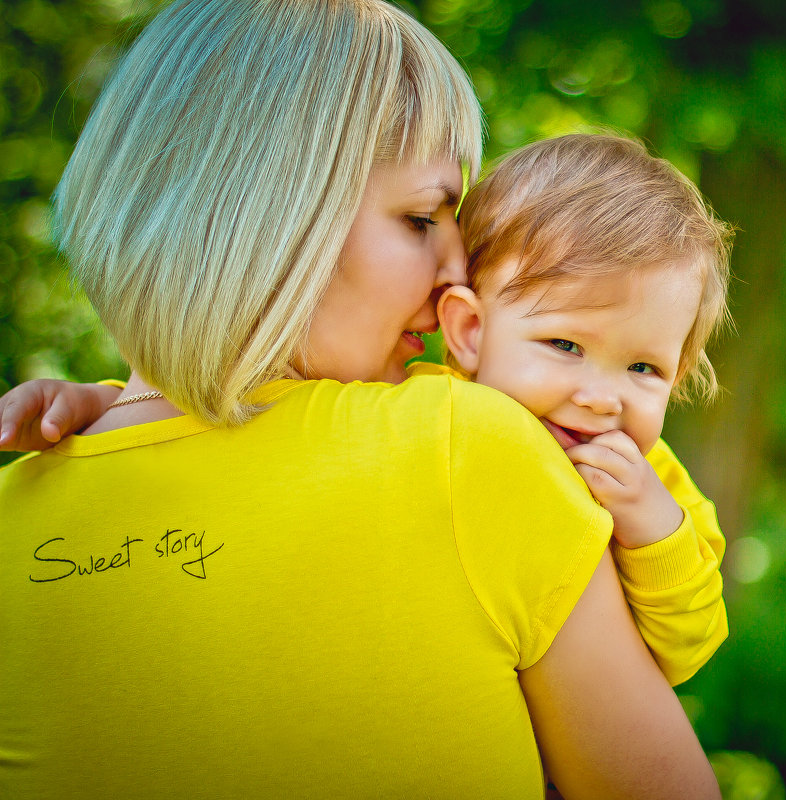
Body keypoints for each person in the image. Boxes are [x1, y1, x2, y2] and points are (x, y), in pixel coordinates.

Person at [0, 1, 721, 798]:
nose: (457, 267)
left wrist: (114, 406)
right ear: (271, 215)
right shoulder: (464, 448)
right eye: (421, 217)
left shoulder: (19, 508)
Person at [4, 132, 735, 688]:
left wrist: (653, 532)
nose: (603, 395)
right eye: (565, 344)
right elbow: (249, 409)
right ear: (470, 332)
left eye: (645, 369)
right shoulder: (412, 412)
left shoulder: (651, 479)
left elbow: (688, 648)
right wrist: (106, 403)